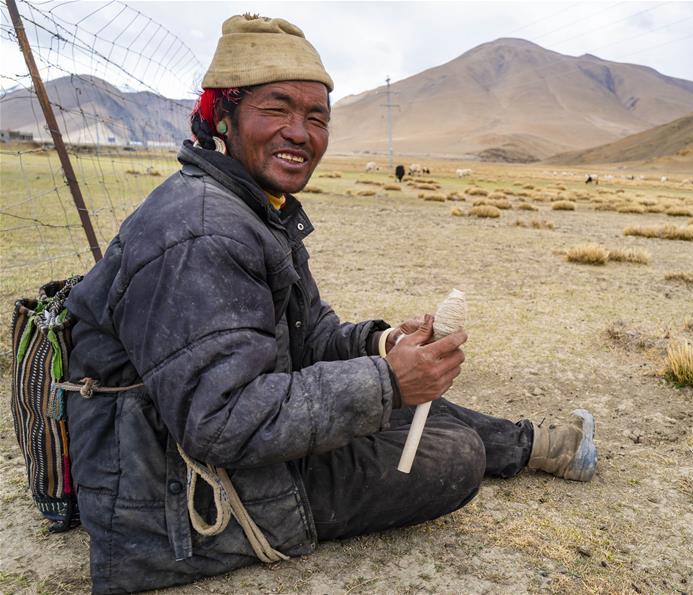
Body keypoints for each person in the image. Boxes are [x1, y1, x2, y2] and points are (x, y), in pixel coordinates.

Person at [63, 14, 597, 593]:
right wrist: (387, 382)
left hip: (210, 442)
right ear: (222, 115)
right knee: (449, 456)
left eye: (316, 117)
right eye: (276, 109)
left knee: (405, 398)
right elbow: (218, 421)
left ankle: (537, 445)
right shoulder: (202, 231)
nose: (301, 132)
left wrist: (381, 346)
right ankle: (526, 447)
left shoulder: (251, 209)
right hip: (173, 489)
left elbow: (305, 332)